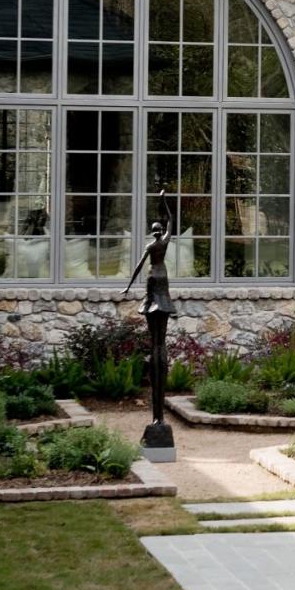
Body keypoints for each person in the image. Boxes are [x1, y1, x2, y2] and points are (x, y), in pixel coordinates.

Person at [120, 190, 175, 453]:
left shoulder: (151, 246)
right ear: (160, 230)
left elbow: (139, 267)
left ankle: (158, 418)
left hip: (154, 281)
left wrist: (128, 287)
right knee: (160, 344)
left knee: (156, 344)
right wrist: (165, 202)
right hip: (162, 282)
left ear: (151, 231)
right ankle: (159, 417)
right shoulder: (163, 243)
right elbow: (172, 220)